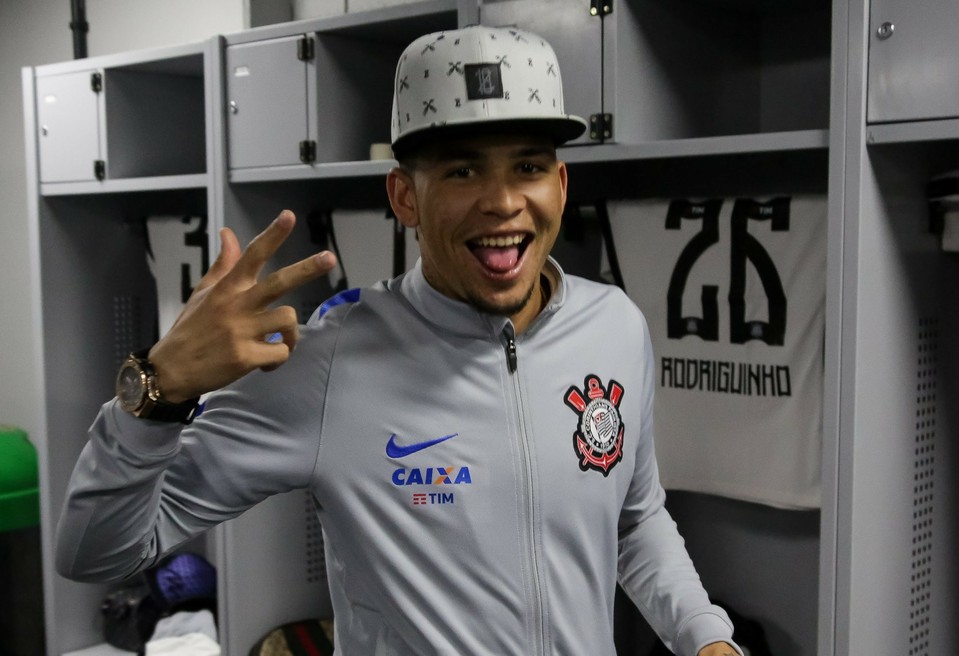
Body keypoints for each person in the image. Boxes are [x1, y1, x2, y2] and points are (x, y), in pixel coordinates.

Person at [56, 25, 742, 656]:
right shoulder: (329, 362)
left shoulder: (613, 326)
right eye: (462, 170)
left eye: (528, 167)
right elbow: (100, 557)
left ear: (561, 186)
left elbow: (633, 519)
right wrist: (157, 393)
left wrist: (703, 634)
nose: (503, 202)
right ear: (405, 198)